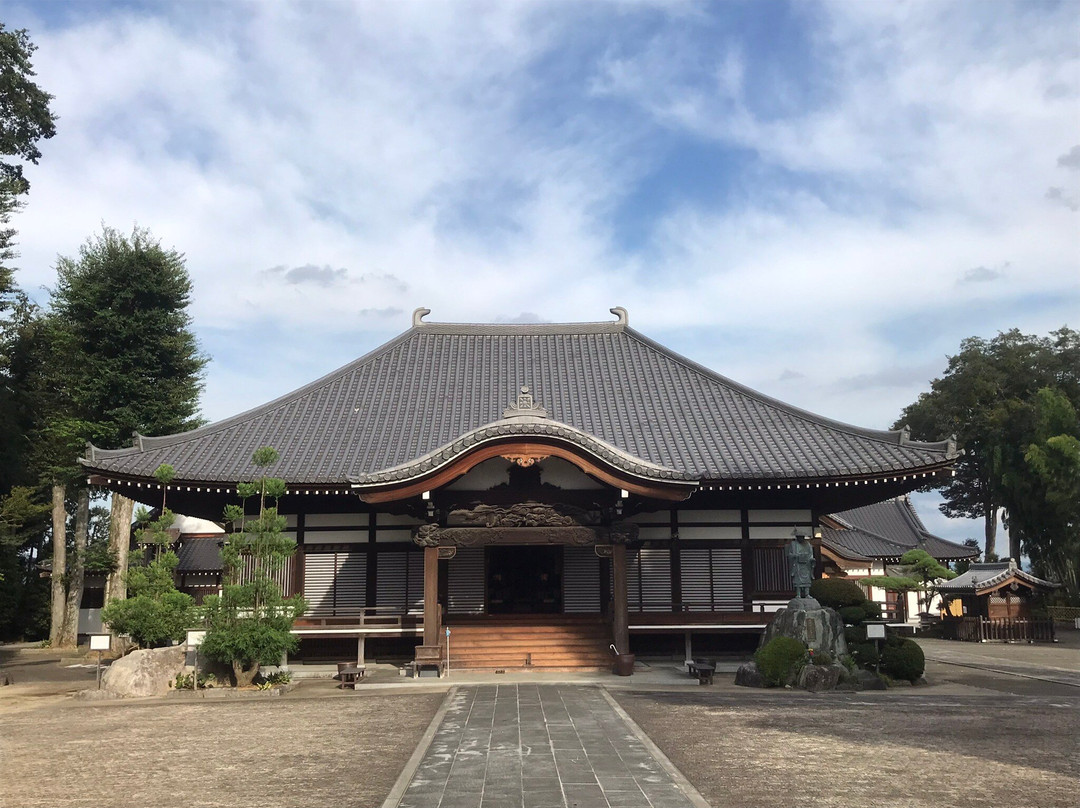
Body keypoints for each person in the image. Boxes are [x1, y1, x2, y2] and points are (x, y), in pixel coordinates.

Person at [786, 531, 815, 599]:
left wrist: (811, 559)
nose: (801, 539)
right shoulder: (793, 544)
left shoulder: (807, 544)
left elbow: (810, 554)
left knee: (807, 579)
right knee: (797, 579)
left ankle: (807, 594)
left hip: (806, 564)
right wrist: (795, 556)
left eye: (802, 537)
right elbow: (789, 554)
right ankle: (798, 594)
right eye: (799, 537)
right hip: (797, 564)